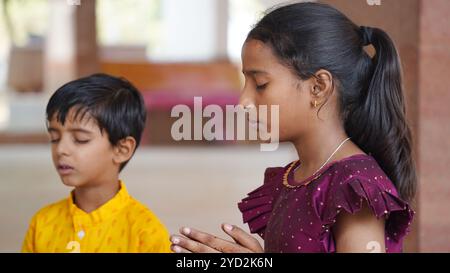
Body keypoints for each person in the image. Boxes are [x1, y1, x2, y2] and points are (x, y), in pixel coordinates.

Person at [170, 2, 416, 253]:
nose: (243, 101)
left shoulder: (355, 187)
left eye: (261, 84)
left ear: (318, 87)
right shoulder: (294, 177)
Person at [22, 73, 171, 253]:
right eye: (54, 138)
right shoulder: (42, 224)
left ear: (121, 150)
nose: (61, 149)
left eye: (80, 139)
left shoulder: (146, 232)